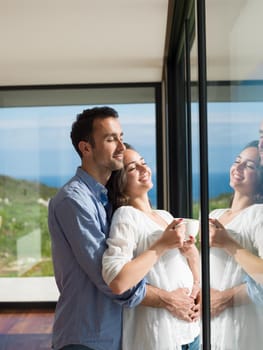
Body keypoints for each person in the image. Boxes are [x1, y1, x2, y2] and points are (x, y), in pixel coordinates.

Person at [48, 107, 200, 350]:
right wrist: (169, 300)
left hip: (117, 335)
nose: (121, 146)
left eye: (121, 136)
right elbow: (110, 278)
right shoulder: (74, 200)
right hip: (87, 336)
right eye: (110, 139)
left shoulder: (106, 200)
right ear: (86, 148)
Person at [102, 145, 200, 350]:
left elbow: (189, 258)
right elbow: (117, 279)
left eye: (143, 163)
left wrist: (197, 286)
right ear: (119, 181)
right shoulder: (126, 216)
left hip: (190, 330)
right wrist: (162, 245)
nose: (143, 169)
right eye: (132, 168)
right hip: (159, 333)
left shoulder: (164, 216)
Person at [208, 144, 263, 349]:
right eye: (237, 161)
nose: (238, 168)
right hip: (213, 327)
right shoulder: (214, 216)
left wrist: (228, 243)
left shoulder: (259, 214)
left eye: (249, 166)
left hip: (245, 328)